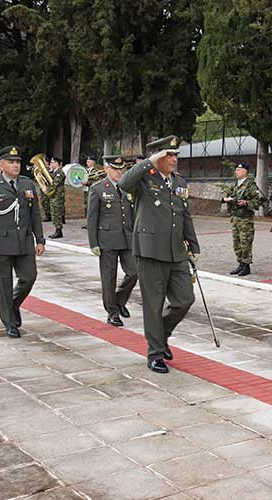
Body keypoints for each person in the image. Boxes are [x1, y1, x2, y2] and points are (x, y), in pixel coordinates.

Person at [118, 135, 199, 374]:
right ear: (158, 157)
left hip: (176, 252)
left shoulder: (179, 182)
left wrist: (193, 246)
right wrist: (148, 162)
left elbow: (185, 215)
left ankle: (160, 336)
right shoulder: (144, 179)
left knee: (185, 299)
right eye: (169, 155)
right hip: (151, 252)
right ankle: (155, 353)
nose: (174, 160)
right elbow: (124, 183)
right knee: (153, 305)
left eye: (175, 155)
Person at [0, 146, 45, 338]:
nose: (16, 165)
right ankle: (9, 323)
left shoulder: (27, 184)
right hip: (0, 244)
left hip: (24, 241)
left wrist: (40, 240)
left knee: (29, 277)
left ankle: (13, 305)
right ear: (1, 165)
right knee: (3, 284)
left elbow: (35, 214)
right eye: (11, 162)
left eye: (18, 162)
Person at [87, 155, 138, 327]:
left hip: (127, 238)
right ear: (106, 169)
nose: (119, 172)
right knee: (109, 277)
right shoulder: (97, 189)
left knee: (134, 272)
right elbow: (92, 218)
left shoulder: (127, 188)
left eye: (121, 169)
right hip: (107, 240)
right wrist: (93, 243)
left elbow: (132, 214)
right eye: (115, 169)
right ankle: (112, 312)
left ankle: (119, 300)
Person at [222, 162, 260, 277]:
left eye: (238, 170)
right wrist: (225, 199)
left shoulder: (251, 185)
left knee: (245, 242)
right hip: (235, 218)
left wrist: (246, 203)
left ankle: (246, 265)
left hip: (245, 219)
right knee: (237, 242)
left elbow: (257, 202)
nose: (236, 172)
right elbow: (226, 195)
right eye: (236, 170)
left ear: (245, 171)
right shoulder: (234, 185)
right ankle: (240, 264)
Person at [45, 157, 66, 239]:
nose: (51, 164)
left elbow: (54, 184)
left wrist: (47, 190)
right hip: (53, 195)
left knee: (56, 213)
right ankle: (57, 230)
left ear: (57, 163)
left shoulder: (60, 173)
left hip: (58, 195)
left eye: (52, 162)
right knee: (54, 213)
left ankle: (59, 230)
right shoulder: (54, 172)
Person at [82, 156, 105, 229]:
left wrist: (87, 183)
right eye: (87, 161)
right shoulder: (86, 171)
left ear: (93, 162)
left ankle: (92, 223)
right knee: (86, 207)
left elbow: (97, 182)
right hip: (86, 191)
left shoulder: (96, 172)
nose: (87, 162)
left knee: (91, 208)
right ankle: (88, 222)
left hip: (92, 192)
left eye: (89, 161)